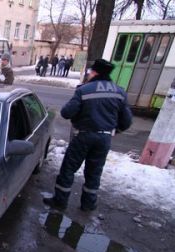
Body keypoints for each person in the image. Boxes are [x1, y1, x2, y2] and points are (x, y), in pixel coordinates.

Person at [43, 59, 132, 212]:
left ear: (95, 72)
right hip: (104, 139)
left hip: (83, 136)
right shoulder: (119, 92)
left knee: (68, 169)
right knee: (94, 172)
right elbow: (127, 121)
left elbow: (66, 112)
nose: (89, 74)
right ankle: (88, 204)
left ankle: (60, 201)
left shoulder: (84, 90)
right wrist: (115, 131)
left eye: (90, 72)